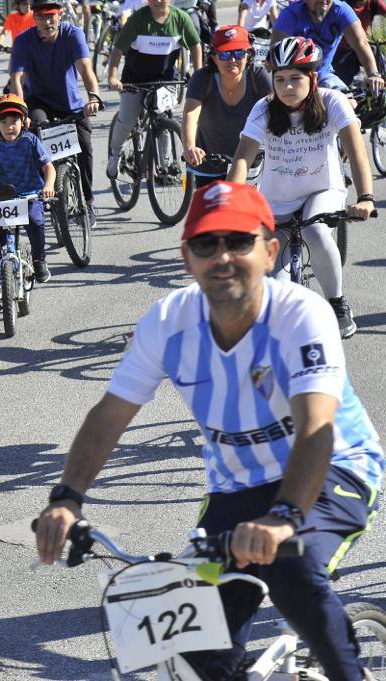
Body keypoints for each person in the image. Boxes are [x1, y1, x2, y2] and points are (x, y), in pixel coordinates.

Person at [35, 181, 383, 681]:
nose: (222, 256)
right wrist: (67, 497)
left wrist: (284, 518)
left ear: (269, 250)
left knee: (291, 572)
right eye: (206, 243)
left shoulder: (301, 316)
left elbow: (316, 429)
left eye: (238, 241)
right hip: (237, 487)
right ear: (186, 257)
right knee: (195, 648)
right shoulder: (168, 322)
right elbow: (109, 415)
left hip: (334, 471)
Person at [227, 36, 375, 338]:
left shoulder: (331, 101)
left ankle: (337, 303)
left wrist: (366, 197)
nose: (287, 86)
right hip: (276, 199)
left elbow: (356, 150)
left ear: (313, 77)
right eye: (279, 79)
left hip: (323, 189)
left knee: (314, 230)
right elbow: (243, 157)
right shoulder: (264, 108)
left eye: (295, 78)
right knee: (275, 291)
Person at [9, 0, 103, 225]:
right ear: (34, 17)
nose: (47, 21)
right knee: (39, 138)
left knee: (85, 145)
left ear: (60, 15)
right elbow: (16, 80)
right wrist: (22, 112)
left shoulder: (73, 35)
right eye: (41, 16)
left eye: (51, 15)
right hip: (38, 101)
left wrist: (93, 96)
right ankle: (47, 192)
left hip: (70, 102)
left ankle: (88, 202)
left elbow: (85, 69)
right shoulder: (23, 41)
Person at [105, 0, 202, 181]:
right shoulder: (137, 20)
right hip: (135, 80)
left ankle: (165, 166)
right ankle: (115, 154)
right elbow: (118, 50)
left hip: (165, 80)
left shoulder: (181, 19)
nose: (158, 1)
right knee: (127, 119)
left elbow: (196, 45)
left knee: (163, 118)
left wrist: (198, 74)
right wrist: (112, 77)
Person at [182, 25, 272, 186]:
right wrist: (189, 147)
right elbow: (191, 114)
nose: (232, 60)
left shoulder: (258, 77)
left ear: (249, 56)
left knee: (246, 210)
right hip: (210, 162)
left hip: (250, 161)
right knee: (212, 210)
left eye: (239, 53)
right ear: (214, 57)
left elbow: (275, 113)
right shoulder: (202, 77)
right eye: (224, 54)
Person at [0, 95, 55, 289]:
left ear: (23, 121)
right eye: (4, 122)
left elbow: (49, 168)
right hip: (2, 199)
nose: (10, 126)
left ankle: (39, 260)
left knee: (36, 221)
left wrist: (48, 186)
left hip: (29, 195)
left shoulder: (30, 140)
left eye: (15, 121)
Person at [271, 0, 385, 92]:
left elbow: (361, 43)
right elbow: (275, 51)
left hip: (324, 75)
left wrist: (373, 75)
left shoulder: (341, 10)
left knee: (348, 103)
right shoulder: (291, 14)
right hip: (293, 77)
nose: (324, 1)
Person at [332, 0, 386, 86]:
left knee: (375, 51)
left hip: (360, 47)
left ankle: (381, 87)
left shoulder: (374, 4)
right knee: (343, 86)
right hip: (339, 52)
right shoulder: (342, 5)